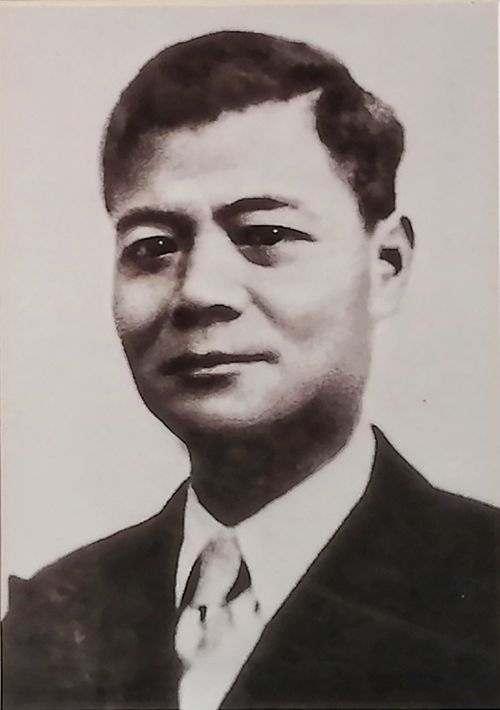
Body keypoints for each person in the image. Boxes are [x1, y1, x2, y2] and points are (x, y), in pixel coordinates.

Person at [3, 30, 499, 710]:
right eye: (153, 246)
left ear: (386, 266)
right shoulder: (52, 619)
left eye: (265, 234)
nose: (199, 291)